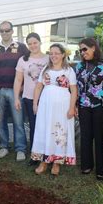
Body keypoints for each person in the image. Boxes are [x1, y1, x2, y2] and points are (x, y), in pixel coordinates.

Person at [75, 37, 103, 180]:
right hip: (83, 106)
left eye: (85, 49)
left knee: (101, 137)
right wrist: (75, 104)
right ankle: (86, 165)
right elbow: (75, 87)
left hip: (101, 107)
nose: (82, 53)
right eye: (80, 50)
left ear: (93, 48)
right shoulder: (79, 67)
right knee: (86, 136)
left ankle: (101, 170)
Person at [31, 43, 77, 176]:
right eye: (51, 53)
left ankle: (57, 162)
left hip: (62, 106)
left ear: (63, 55)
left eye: (56, 53)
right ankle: (44, 161)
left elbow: (73, 90)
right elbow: (39, 87)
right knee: (45, 130)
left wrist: (71, 108)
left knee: (59, 132)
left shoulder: (69, 70)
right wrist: (35, 104)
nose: (53, 56)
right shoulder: (46, 69)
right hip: (46, 105)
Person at [0, 21, 29, 161]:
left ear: (12, 31)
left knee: (18, 120)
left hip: (15, 91)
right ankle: (4, 146)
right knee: (0, 120)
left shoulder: (22, 48)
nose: (4, 33)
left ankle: (20, 148)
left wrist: (23, 87)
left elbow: (27, 67)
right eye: (2, 31)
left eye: (7, 30)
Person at [13, 32, 49, 165]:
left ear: (40, 42)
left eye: (35, 42)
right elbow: (18, 80)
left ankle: (47, 154)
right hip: (28, 98)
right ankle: (35, 155)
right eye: (30, 44)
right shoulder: (23, 60)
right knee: (34, 126)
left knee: (46, 126)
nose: (33, 45)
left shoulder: (48, 58)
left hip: (46, 98)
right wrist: (16, 98)